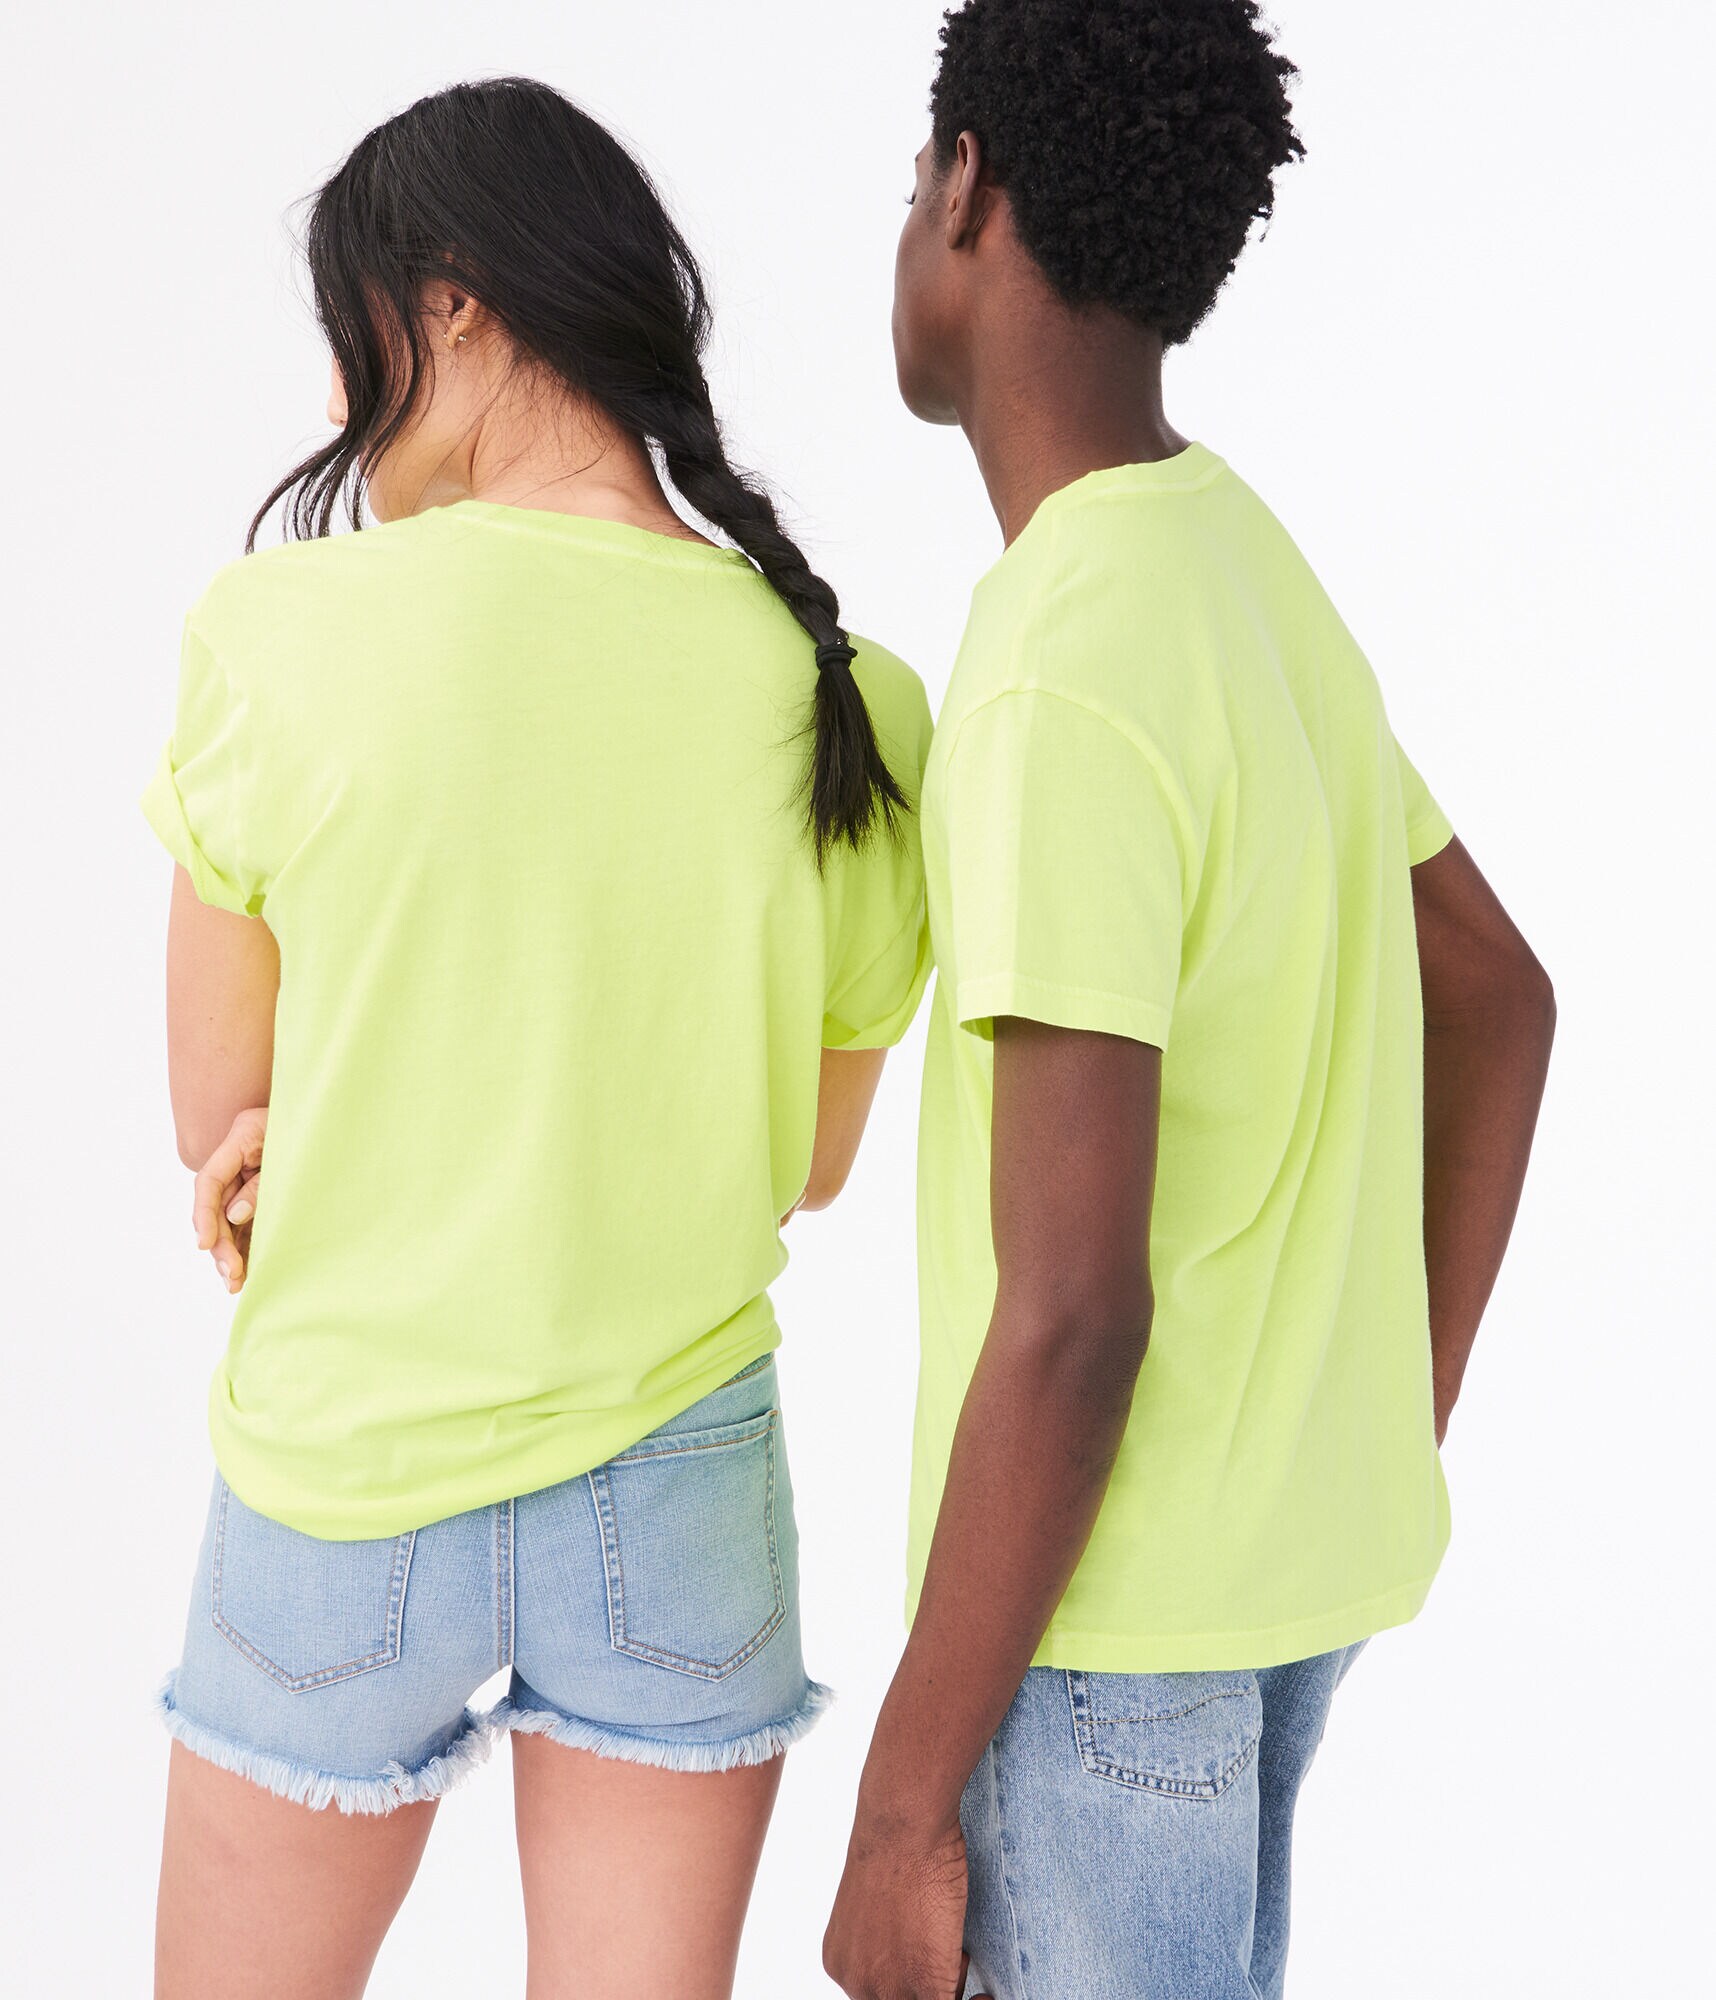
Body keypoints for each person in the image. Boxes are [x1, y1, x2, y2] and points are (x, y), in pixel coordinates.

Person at [141, 77, 930, 2000]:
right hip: (682, 1492)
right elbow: (806, 1162)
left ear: (456, 301)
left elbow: (220, 1112)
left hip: (346, 1472)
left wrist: (342, 1133)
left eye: (354, 332)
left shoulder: (278, 630)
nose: (343, 399)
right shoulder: (850, 694)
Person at [823, 5, 1556, 1997]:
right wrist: (1376, 1409)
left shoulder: (1061, 666)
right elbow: (1499, 994)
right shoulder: (1238, 561)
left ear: (966, 188)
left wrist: (897, 1813)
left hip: (1103, 1637)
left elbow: (1075, 1312)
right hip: (1277, 1590)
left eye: (912, 176)